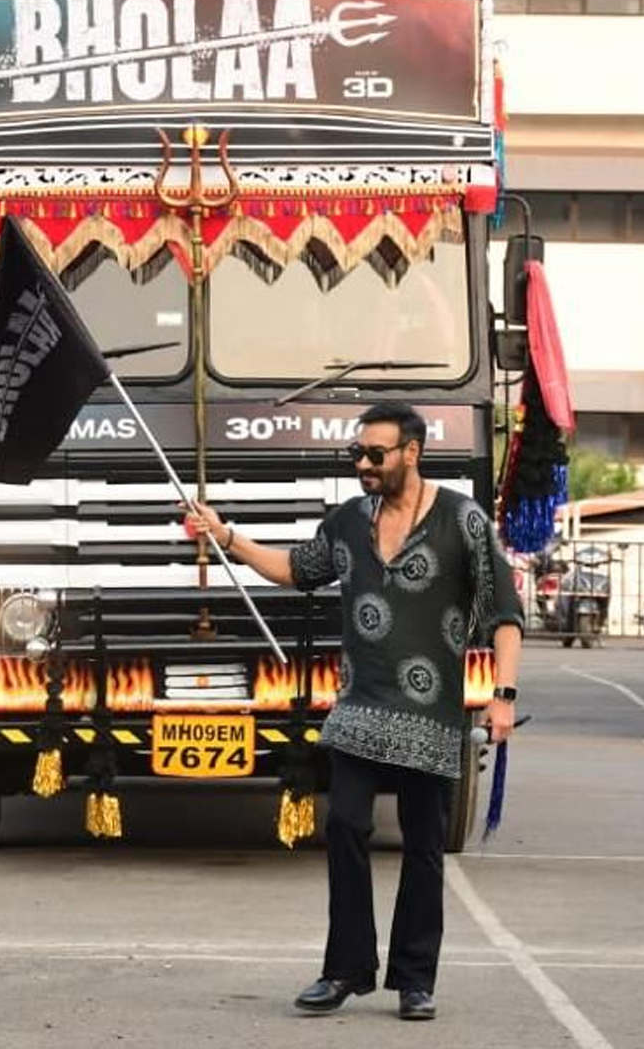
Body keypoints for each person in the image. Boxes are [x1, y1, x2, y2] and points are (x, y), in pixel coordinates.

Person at [184, 401, 524, 1022]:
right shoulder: (347, 523)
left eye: (375, 454)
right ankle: (345, 970)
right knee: (343, 825)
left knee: (424, 844)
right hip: (360, 707)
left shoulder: (462, 520)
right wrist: (226, 534)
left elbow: (505, 613)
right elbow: (293, 569)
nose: (362, 464)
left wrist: (503, 696)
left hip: (429, 716)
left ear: (411, 454)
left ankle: (415, 980)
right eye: (356, 454)